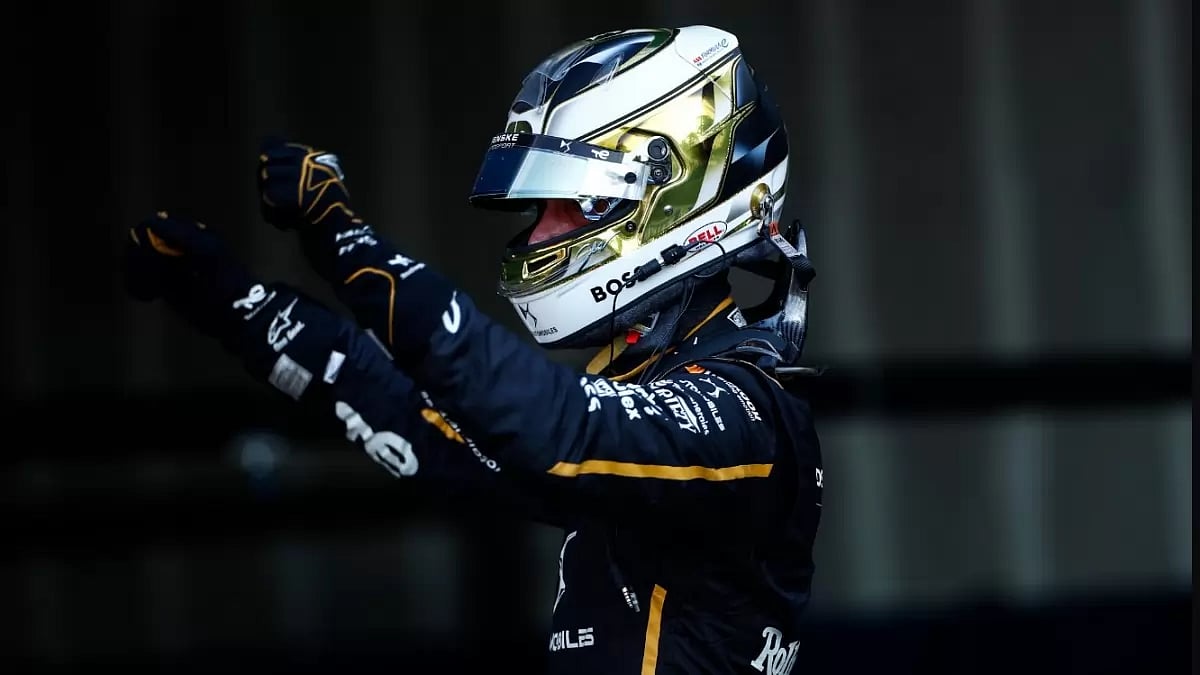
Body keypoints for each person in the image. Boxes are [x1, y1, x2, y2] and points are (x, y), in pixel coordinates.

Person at [123, 25, 823, 675]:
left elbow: (555, 427)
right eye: (538, 206)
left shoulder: (751, 415)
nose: (541, 233)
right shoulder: (658, 409)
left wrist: (340, 235)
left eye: (572, 204)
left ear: (675, 198)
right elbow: (427, 429)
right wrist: (231, 301)